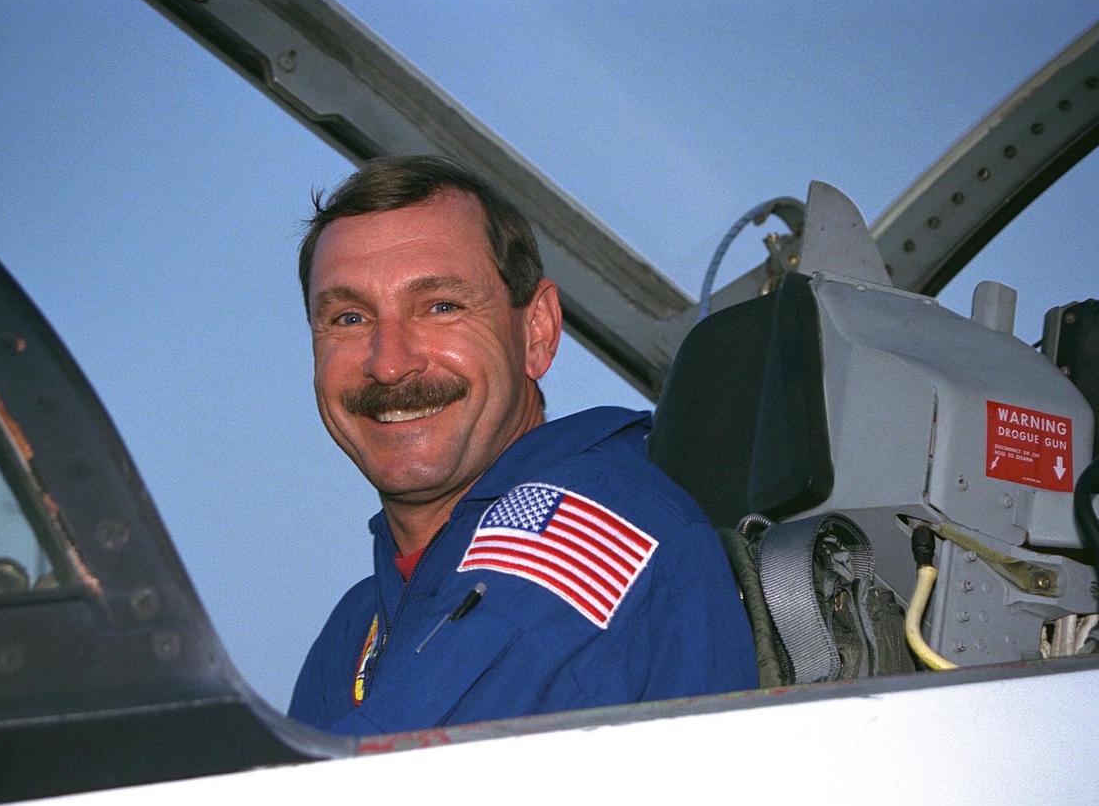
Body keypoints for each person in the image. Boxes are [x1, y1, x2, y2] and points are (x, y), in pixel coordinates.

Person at [288, 156, 756, 735]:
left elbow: (372, 800)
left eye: (441, 307)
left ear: (537, 332)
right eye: (350, 317)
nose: (389, 363)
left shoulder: (586, 524)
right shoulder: (357, 631)